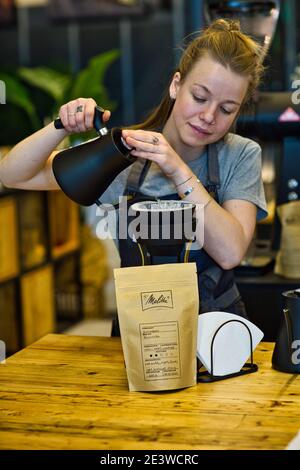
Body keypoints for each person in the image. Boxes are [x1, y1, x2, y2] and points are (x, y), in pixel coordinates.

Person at [0, 19, 267, 320]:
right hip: (139, 333)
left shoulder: (240, 154)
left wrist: (178, 170)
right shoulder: (122, 154)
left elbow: (231, 253)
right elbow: (12, 174)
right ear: (176, 85)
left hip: (216, 336)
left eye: (226, 109)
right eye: (200, 97)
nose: (208, 116)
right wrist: (62, 125)